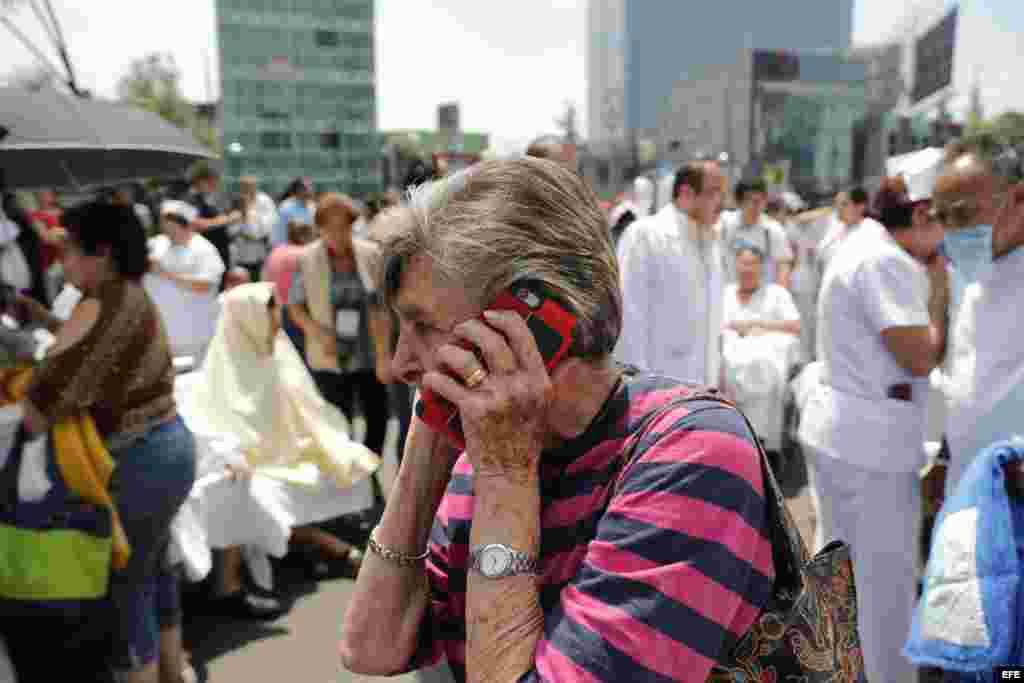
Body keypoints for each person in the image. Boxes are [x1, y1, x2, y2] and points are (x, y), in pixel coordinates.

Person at [340, 158, 774, 682]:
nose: (399, 365)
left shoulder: (694, 455)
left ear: (534, 319)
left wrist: (506, 477)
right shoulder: (478, 454)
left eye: (423, 326)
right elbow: (371, 649)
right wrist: (425, 452)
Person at [16, 201, 196, 683]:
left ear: (103, 253)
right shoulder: (126, 295)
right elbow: (101, 355)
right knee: (152, 570)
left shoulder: (99, 303)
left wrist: (28, 362)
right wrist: (48, 322)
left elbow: (41, 407)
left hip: (139, 460)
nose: (62, 262)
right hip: (167, 448)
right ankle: (173, 671)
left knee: (125, 588)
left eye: (70, 251)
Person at [798, 195, 948, 683]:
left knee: (845, 580)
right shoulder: (884, 260)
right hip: (869, 449)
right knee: (882, 591)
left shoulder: (862, 246)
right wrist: (940, 292)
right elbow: (918, 356)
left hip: (853, 437)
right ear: (921, 217)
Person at [178, 282, 379, 619]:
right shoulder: (222, 369)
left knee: (341, 461)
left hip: (281, 454)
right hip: (245, 463)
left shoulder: (274, 354)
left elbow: (303, 409)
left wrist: (320, 442)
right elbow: (219, 428)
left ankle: (322, 549)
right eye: (269, 311)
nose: (276, 320)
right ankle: (330, 550)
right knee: (257, 494)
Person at [926, 138, 1024, 500]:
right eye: (941, 218)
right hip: (968, 487)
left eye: (963, 214)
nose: (952, 229)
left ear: (1018, 199)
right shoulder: (969, 276)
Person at [286, 193, 390, 460]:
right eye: (329, 227)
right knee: (337, 422)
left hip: (368, 352)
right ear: (319, 228)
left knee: (377, 419)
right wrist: (317, 333)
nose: (337, 234)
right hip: (329, 354)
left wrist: (384, 356)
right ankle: (346, 472)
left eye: (343, 226)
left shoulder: (371, 254)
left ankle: (371, 468)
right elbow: (295, 307)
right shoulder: (307, 258)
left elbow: (381, 306)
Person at [616, 159, 727, 386]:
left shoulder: (711, 243)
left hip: (703, 388)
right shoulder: (646, 236)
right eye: (713, 193)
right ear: (686, 194)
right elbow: (628, 315)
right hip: (657, 386)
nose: (721, 202)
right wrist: (637, 387)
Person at [721, 245, 801, 455]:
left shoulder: (776, 294)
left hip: (765, 360)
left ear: (762, 268)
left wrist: (757, 326)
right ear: (736, 266)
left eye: (752, 264)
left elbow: (794, 326)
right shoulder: (725, 293)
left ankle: (760, 440)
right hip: (728, 361)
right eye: (743, 263)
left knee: (760, 366)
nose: (747, 269)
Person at [721, 179, 795, 289]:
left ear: (765, 202)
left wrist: (780, 294)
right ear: (738, 202)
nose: (753, 206)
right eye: (748, 201)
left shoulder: (773, 230)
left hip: (761, 294)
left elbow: (783, 267)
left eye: (758, 202)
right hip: (729, 293)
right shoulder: (724, 223)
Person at [185, 163, 240, 281]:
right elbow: (196, 224)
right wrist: (227, 220)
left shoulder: (210, 198)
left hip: (219, 253)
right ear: (201, 181)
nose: (216, 185)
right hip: (204, 255)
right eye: (213, 181)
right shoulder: (190, 199)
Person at [229, 175, 277, 283]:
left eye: (250, 186)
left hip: (258, 250)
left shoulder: (264, 201)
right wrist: (242, 215)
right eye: (244, 186)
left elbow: (269, 224)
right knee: (239, 283)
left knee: (256, 283)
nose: (247, 189)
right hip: (239, 250)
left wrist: (249, 216)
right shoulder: (236, 200)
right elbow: (230, 227)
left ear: (255, 186)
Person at [272, 177, 315, 248]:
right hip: (286, 248)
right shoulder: (286, 207)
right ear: (297, 190)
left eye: (311, 186)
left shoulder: (312, 206)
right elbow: (295, 233)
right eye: (306, 188)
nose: (310, 190)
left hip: (304, 247)